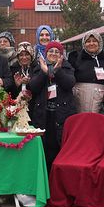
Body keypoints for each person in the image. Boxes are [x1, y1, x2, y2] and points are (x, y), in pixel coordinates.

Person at [28, 41, 77, 169]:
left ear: (61, 55)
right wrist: (45, 73)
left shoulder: (67, 67)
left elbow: (69, 83)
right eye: (51, 51)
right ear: (46, 53)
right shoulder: (39, 67)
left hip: (61, 115)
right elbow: (33, 87)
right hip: (43, 115)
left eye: (57, 52)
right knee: (44, 149)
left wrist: (57, 71)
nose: (54, 54)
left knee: (59, 148)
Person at [69, 31, 104, 114]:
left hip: (102, 101)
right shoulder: (76, 58)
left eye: (94, 41)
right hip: (79, 100)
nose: (91, 43)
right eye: (88, 41)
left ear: (99, 42)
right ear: (84, 43)